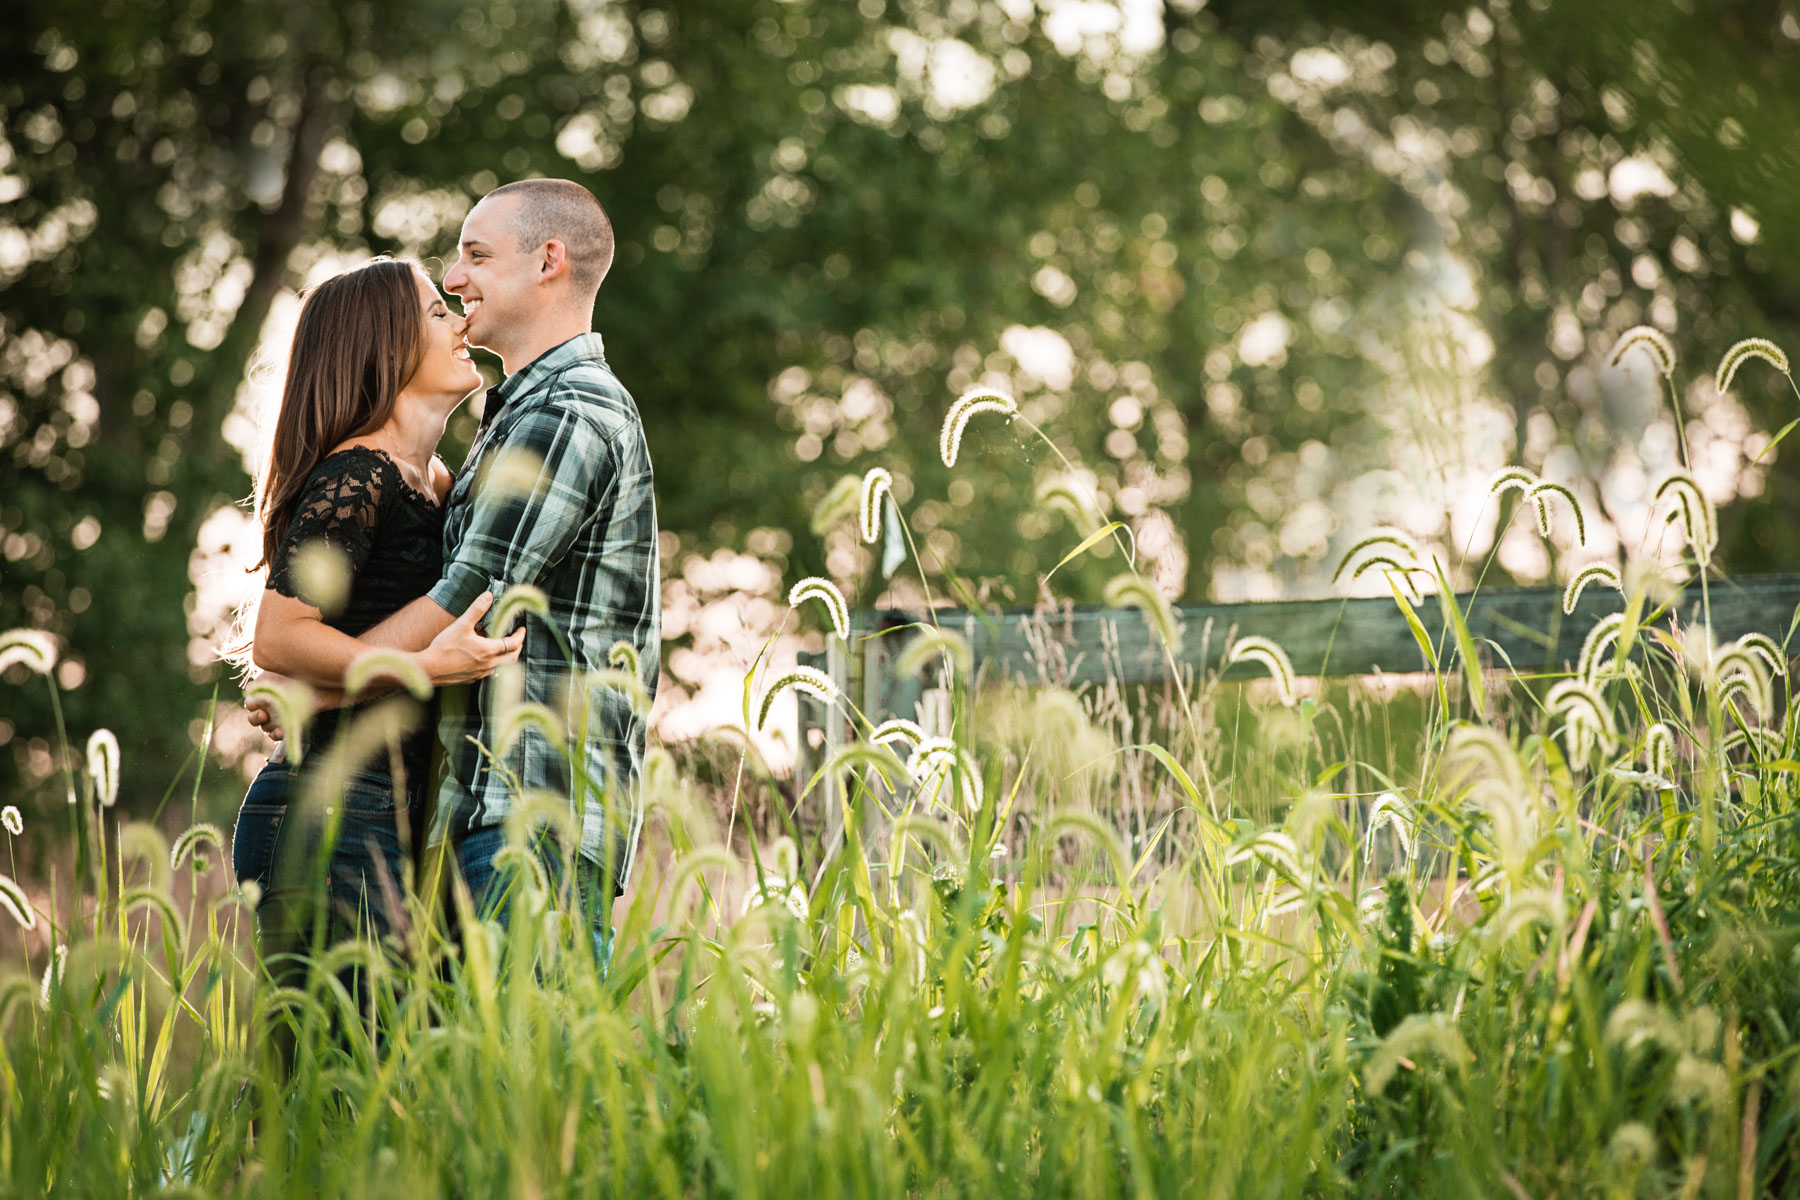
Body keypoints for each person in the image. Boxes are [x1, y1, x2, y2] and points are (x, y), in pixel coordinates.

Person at [250, 179, 661, 969]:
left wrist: (318, 689)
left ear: (549, 261)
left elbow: (461, 597)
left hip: (532, 816)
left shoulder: (565, 415)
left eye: (475, 256)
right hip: (471, 814)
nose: (454, 280)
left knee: (526, 1086)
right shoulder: (504, 422)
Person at [229, 258, 523, 1004]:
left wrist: (309, 692)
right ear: (383, 345)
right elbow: (280, 635)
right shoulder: (355, 474)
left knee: (364, 1086)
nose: (460, 322)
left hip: (391, 812)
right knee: (327, 1089)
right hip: (329, 805)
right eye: (435, 313)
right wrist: (425, 668)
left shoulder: (438, 482)